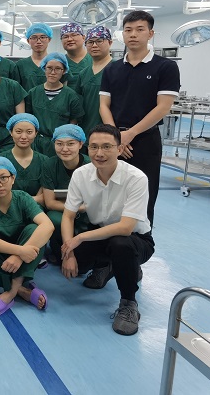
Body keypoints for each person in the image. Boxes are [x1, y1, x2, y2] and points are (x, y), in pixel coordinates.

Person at [60, 124, 154, 336]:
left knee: (120, 244)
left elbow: (125, 227)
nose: (99, 153)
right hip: (100, 231)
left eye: (106, 147)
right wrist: (69, 253)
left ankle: (129, 303)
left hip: (134, 239)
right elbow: (68, 216)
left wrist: (79, 238)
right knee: (74, 262)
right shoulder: (81, 174)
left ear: (119, 149)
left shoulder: (136, 178)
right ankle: (108, 266)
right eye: (94, 147)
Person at [99, 10, 179, 227]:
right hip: (114, 141)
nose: (133, 34)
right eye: (128, 30)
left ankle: (141, 242)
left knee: (144, 194)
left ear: (150, 33)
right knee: (110, 194)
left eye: (139, 29)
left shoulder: (165, 67)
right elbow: (104, 105)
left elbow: (163, 107)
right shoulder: (112, 69)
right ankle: (106, 241)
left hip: (145, 141)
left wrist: (130, 134)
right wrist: (116, 137)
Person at [0, 156, 54, 315]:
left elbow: (48, 225)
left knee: (34, 230)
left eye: (3, 178)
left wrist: (18, 256)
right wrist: (20, 251)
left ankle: (10, 293)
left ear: (13, 178)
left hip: (23, 257)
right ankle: (22, 289)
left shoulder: (22, 198)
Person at [41, 124, 90, 260]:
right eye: (59, 144)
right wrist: (78, 208)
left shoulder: (91, 165)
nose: (64, 149)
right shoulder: (49, 165)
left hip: (88, 215)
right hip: (62, 212)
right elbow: (50, 203)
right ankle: (59, 250)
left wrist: (84, 209)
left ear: (81, 144)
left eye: (70, 144)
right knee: (53, 219)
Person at [25, 52, 84, 156]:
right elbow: (28, 119)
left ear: (64, 71)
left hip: (60, 144)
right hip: (36, 144)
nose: (53, 72)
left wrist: (64, 140)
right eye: (49, 68)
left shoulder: (71, 96)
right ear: (44, 68)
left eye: (57, 69)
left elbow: (74, 121)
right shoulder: (33, 93)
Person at [0, 113, 47, 206]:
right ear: (11, 132)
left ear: (36, 133)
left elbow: (44, 197)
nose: (24, 137)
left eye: (29, 132)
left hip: (37, 209)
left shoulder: (44, 161)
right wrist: (33, 199)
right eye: (18, 132)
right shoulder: (1, 160)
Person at [76, 25, 113, 136]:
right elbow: (78, 104)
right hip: (86, 131)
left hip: (111, 132)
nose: (94, 45)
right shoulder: (83, 74)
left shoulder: (118, 69)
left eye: (99, 41)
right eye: (90, 42)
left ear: (110, 42)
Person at [16, 23, 53, 91]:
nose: (38, 41)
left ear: (49, 39)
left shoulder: (56, 63)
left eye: (43, 37)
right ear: (28, 41)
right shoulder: (21, 65)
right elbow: (16, 90)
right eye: (34, 38)